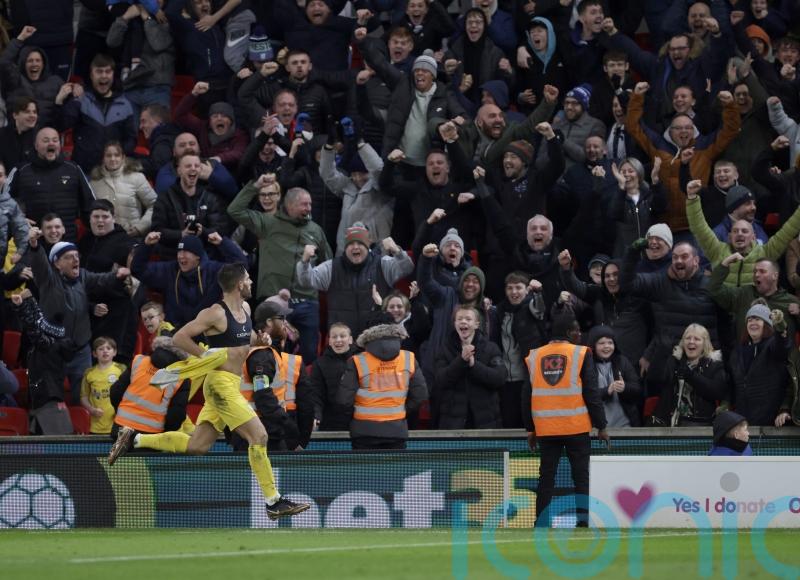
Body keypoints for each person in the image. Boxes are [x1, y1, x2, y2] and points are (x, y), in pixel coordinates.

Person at [108, 263, 310, 519]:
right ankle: (273, 501)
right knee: (259, 437)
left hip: (228, 383)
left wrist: (258, 342)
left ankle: (133, 439)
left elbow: (242, 341)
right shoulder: (215, 313)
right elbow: (180, 337)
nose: (250, 283)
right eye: (247, 279)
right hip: (219, 384)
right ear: (239, 284)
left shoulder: (245, 309)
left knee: (197, 446)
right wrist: (208, 356)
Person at [523, 309, 609, 528]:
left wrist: (530, 429)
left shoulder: (535, 356)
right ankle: (582, 522)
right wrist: (601, 425)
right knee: (581, 477)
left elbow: (526, 395)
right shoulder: (581, 353)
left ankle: (541, 522)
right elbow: (591, 392)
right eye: (577, 330)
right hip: (576, 427)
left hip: (546, 429)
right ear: (570, 332)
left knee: (546, 478)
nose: (580, 334)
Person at [228, 182, 332, 363]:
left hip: (307, 302)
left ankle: (305, 390)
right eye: (304, 204)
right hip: (273, 301)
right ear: (290, 205)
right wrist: (254, 187)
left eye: (310, 204)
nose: (309, 208)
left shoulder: (315, 230)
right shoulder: (268, 222)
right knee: (271, 353)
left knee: (309, 355)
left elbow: (328, 264)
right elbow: (234, 210)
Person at [296, 225, 414, 338]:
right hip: (343, 341)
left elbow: (407, 268)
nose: (355, 247)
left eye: (360, 243)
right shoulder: (331, 268)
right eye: (351, 244)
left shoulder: (382, 264)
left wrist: (397, 251)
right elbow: (307, 281)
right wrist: (305, 261)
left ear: (368, 247)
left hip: (376, 339)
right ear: (345, 247)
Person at [686, 179, 800, 287]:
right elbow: (699, 227)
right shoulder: (717, 251)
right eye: (735, 231)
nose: (740, 234)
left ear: (753, 237)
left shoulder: (765, 252)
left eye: (745, 231)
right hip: (720, 306)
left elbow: (789, 230)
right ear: (729, 237)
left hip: (753, 305)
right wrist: (692, 199)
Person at [338, 319, 427, 449]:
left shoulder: (357, 361)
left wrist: (356, 418)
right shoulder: (409, 358)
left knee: (364, 469)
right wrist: (401, 411)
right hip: (396, 431)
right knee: (394, 469)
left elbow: (344, 400)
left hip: (364, 431)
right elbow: (421, 395)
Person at [131, 232, 247, 329]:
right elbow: (138, 270)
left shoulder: (214, 271)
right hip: (176, 333)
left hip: (208, 332)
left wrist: (223, 243)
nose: (181, 256)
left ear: (197, 256)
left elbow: (241, 268)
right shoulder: (170, 270)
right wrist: (146, 246)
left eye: (186, 252)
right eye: (179, 252)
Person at [6, 127, 95, 242]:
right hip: (32, 242)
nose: (51, 143)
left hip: (66, 241)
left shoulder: (74, 169)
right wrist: (16, 219)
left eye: (55, 140)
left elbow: (90, 205)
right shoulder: (20, 170)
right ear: (36, 145)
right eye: (46, 140)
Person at [58, 53, 137, 173]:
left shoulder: (125, 104)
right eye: (99, 71)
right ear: (91, 75)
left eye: (107, 71)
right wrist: (64, 101)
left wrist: (117, 155)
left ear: (113, 74)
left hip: (114, 173)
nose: (104, 76)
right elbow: (63, 124)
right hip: (84, 172)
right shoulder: (81, 100)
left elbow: (131, 139)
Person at [490, 271, 546, 428]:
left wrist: (538, 293)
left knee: (529, 423)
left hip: (529, 377)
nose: (514, 292)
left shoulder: (531, 306)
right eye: (510, 288)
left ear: (527, 289)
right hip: (506, 378)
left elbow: (540, 309)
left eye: (518, 287)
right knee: (510, 422)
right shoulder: (500, 311)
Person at [435, 305, 505, 429]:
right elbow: (440, 380)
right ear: (455, 323)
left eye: (468, 319)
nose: (463, 321)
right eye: (460, 319)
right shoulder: (444, 349)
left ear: (477, 324)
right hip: (453, 423)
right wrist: (461, 361)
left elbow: (499, 378)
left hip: (486, 422)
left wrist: (474, 365)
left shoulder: (491, 348)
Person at [649, 324, 729, 427]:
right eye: (688, 338)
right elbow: (654, 380)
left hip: (702, 425)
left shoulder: (714, 364)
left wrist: (689, 374)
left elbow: (716, 391)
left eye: (697, 339)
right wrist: (661, 353)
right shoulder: (673, 360)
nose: (691, 341)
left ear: (705, 343)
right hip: (670, 425)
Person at [728, 303, 792, 427]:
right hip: (743, 422)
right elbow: (731, 383)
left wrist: (780, 327)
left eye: (758, 319)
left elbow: (782, 345)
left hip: (770, 422)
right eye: (749, 320)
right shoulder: (738, 351)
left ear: (767, 324)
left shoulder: (772, 345)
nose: (752, 323)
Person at [89, 141, 157, 237]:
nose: (113, 159)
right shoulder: (94, 183)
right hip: (105, 239)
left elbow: (154, 205)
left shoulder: (137, 178)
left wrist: (140, 228)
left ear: (123, 158)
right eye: (108, 155)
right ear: (103, 159)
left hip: (132, 237)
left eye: (116, 155)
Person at [586, 325, 641, 427]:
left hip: (625, 425)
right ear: (593, 346)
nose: (606, 346)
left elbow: (637, 389)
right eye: (601, 343)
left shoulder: (622, 361)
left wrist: (625, 388)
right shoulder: (586, 364)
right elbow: (584, 395)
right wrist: (606, 391)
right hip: (596, 428)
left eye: (610, 343)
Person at [306, 321, 356, 432]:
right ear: (329, 341)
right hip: (331, 424)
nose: (338, 340)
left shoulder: (361, 360)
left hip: (358, 423)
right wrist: (316, 416)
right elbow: (316, 394)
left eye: (342, 336)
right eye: (334, 337)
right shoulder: (319, 364)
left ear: (350, 340)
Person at [80, 336, 126, 435]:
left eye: (108, 348)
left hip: (117, 424)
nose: (105, 351)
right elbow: (83, 397)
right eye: (101, 349)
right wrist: (91, 410)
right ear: (94, 354)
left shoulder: (121, 369)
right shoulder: (89, 373)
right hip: (95, 427)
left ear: (114, 352)